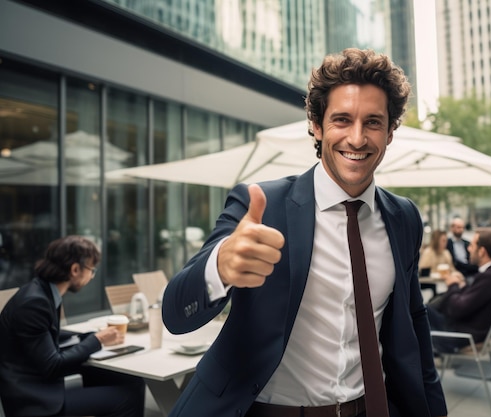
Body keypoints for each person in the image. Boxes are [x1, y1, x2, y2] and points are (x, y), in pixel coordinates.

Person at [162, 48, 447, 417]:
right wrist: (220, 267)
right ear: (316, 124)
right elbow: (175, 313)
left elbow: (414, 322)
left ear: (390, 132)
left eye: (373, 123)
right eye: (342, 120)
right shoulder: (261, 203)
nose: (357, 139)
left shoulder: (404, 217)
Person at [0, 235, 145, 417]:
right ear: (75, 269)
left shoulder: (42, 291)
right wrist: (96, 340)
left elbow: (48, 335)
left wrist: (87, 337)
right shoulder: (35, 302)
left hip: (39, 386)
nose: (92, 277)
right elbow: (53, 366)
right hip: (33, 399)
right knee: (127, 397)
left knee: (131, 381)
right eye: (91, 270)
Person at [426, 228, 491, 353]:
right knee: (422, 309)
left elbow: (457, 309)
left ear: (482, 252)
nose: (468, 249)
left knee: (417, 312)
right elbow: (473, 300)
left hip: (463, 335)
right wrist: (462, 285)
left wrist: (453, 285)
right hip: (465, 328)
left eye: (472, 245)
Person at [418, 229, 456, 296]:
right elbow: (423, 273)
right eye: (443, 241)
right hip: (431, 284)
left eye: (446, 240)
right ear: (436, 241)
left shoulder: (446, 253)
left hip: (445, 283)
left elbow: (452, 269)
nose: (446, 243)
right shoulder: (428, 253)